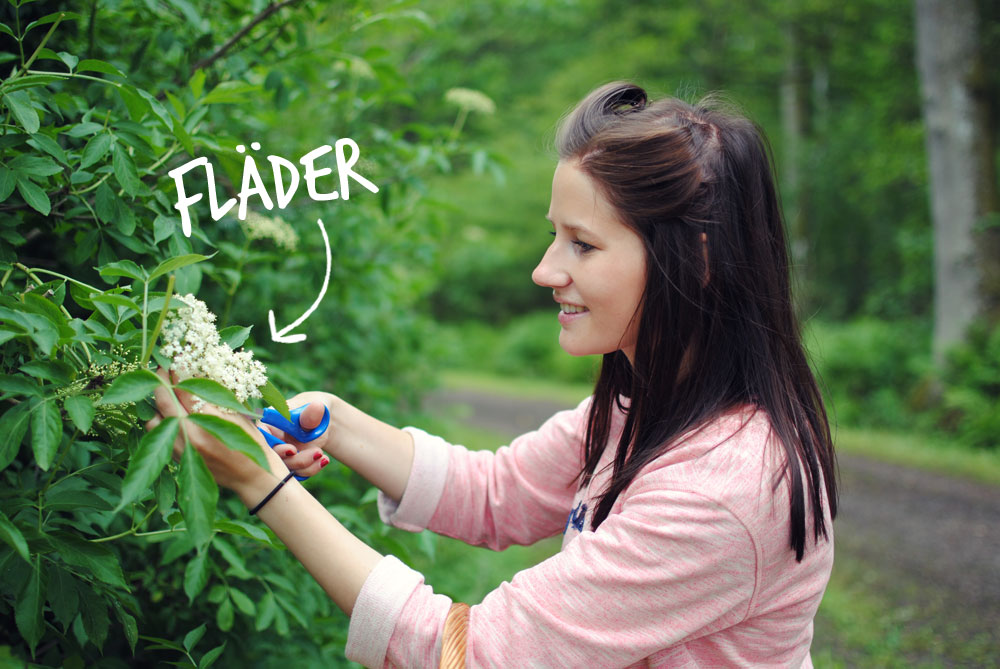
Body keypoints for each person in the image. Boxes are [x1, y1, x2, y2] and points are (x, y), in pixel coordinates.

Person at [149, 81, 838, 668]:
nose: (545, 270)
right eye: (553, 234)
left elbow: (469, 652)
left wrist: (257, 481)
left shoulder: (723, 490)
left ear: (699, 257)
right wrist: (335, 419)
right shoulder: (649, 399)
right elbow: (497, 491)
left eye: (583, 243)